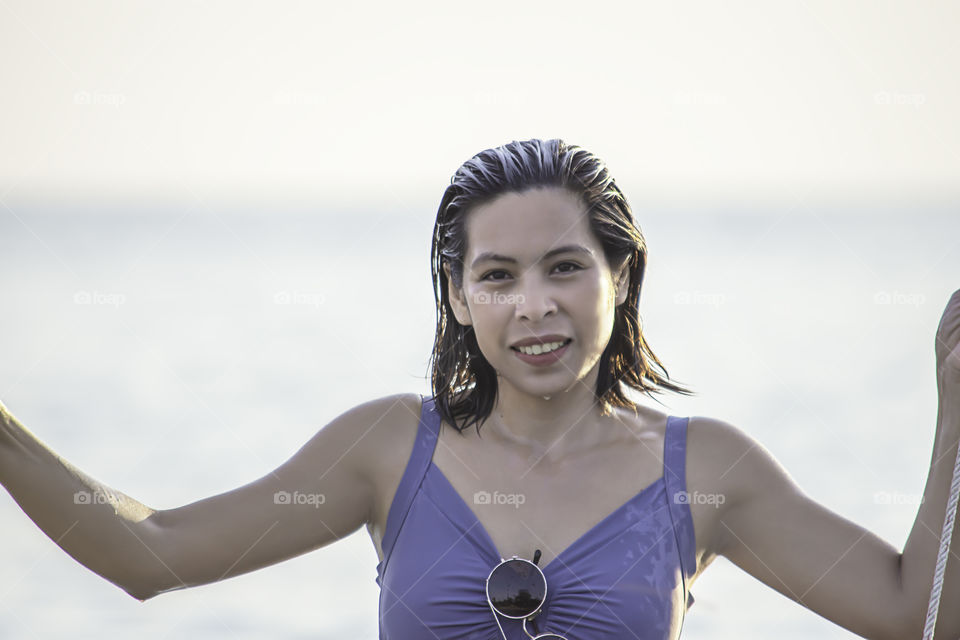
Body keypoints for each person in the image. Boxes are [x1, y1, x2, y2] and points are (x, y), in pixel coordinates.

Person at [0, 138, 958, 640]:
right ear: (457, 297)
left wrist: (955, 410)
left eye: (565, 268)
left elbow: (917, 619)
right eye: (497, 276)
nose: (534, 306)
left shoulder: (706, 470)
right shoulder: (386, 452)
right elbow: (151, 554)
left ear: (619, 279)